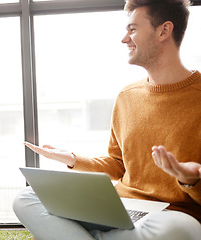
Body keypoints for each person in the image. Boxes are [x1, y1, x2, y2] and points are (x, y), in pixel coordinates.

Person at [13, 0, 201, 239]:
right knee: (26, 198)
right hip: (122, 207)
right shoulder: (127, 97)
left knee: (180, 230)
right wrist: (72, 159)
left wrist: (190, 180)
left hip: (172, 215)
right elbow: (118, 164)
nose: (125, 39)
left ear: (164, 30)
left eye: (132, 29)